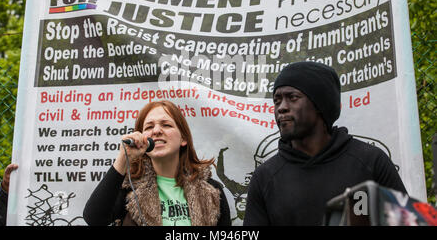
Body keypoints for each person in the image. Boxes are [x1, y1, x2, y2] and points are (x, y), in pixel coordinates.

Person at [243, 61, 407, 226]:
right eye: (277, 101)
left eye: (292, 98)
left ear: (320, 104)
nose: (281, 108)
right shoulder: (265, 177)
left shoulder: (370, 162)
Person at [83, 100, 231, 226]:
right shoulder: (128, 188)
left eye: (166, 125)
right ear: (142, 138)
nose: (157, 130)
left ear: (183, 139)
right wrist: (123, 158)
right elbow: (94, 219)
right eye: (149, 127)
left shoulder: (211, 190)